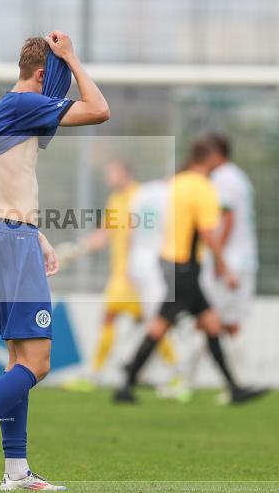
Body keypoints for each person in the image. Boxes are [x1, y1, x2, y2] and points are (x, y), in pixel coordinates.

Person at [0, 31, 110, 491]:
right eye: (60, 77)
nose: (63, 88)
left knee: (17, 360)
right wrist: (72, 57)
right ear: (44, 74)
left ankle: (16, 472)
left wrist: (38, 235)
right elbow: (100, 109)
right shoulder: (28, 104)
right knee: (40, 362)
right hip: (12, 241)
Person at [113, 136, 267, 405]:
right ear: (210, 159)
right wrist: (224, 267)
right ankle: (126, 382)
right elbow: (208, 232)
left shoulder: (175, 183)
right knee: (161, 326)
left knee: (210, 324)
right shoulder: (203, 187)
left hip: (170, 261)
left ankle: (234, 389)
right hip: (184, 266)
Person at [58, 161, 179, 392]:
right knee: (147, 322)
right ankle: (172, 372)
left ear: (125, 173)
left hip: (135, 274)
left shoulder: (140, 196)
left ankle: (97, 374)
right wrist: (78, 249)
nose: (107, 178)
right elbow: (106, 233)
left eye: (111, 173)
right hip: (124, 273)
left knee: (148, 322)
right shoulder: (115, 199)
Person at [195, 132, 259, 401]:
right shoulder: (239, 176)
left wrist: (220, 260)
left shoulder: (223, 179)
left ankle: (238, 383)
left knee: (215, 320)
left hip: (230, 260)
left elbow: (227, 216)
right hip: (242, 258)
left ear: (215, 154)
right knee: (218, 321)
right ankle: (234, 384)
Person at [127, 177, 191, 402]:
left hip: (138, 262)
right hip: (158, 263)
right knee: (161, 322)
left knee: (154, 322)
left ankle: (156, 373)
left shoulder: (139, 193)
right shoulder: (172, 195)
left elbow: (130, 229)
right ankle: (176, 374)